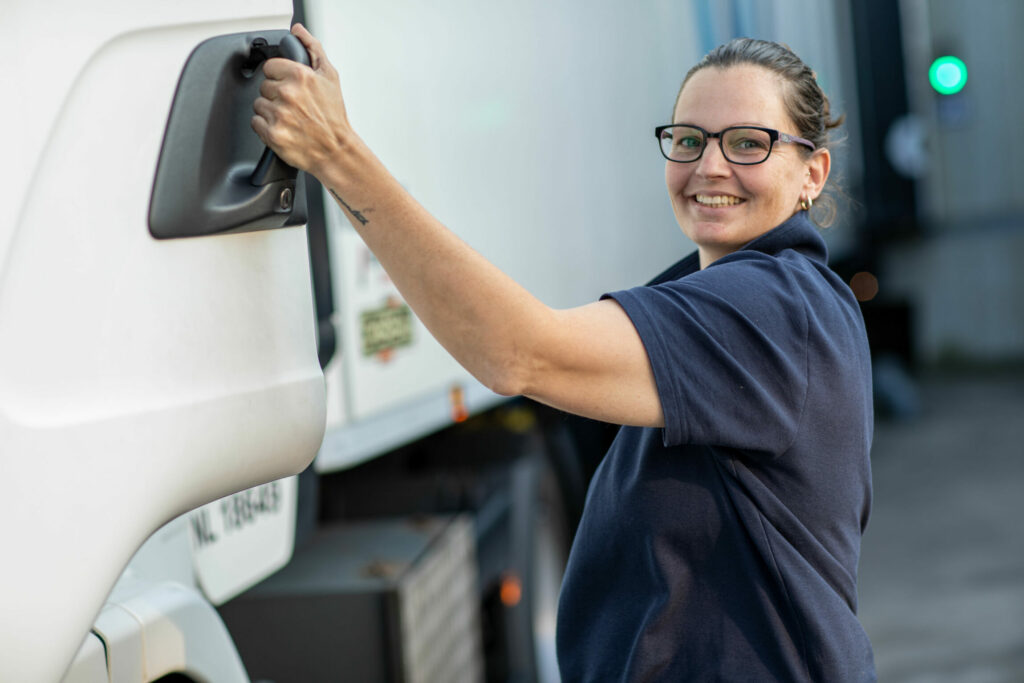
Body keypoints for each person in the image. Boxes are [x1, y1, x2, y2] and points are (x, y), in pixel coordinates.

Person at [253, 25, 875, 682]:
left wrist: (338, 155)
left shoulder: (772, 308)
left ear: (813, 172)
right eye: (689, 140)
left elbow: (518, 354)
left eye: (749, 143)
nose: (709, 166)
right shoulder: (734, 298)